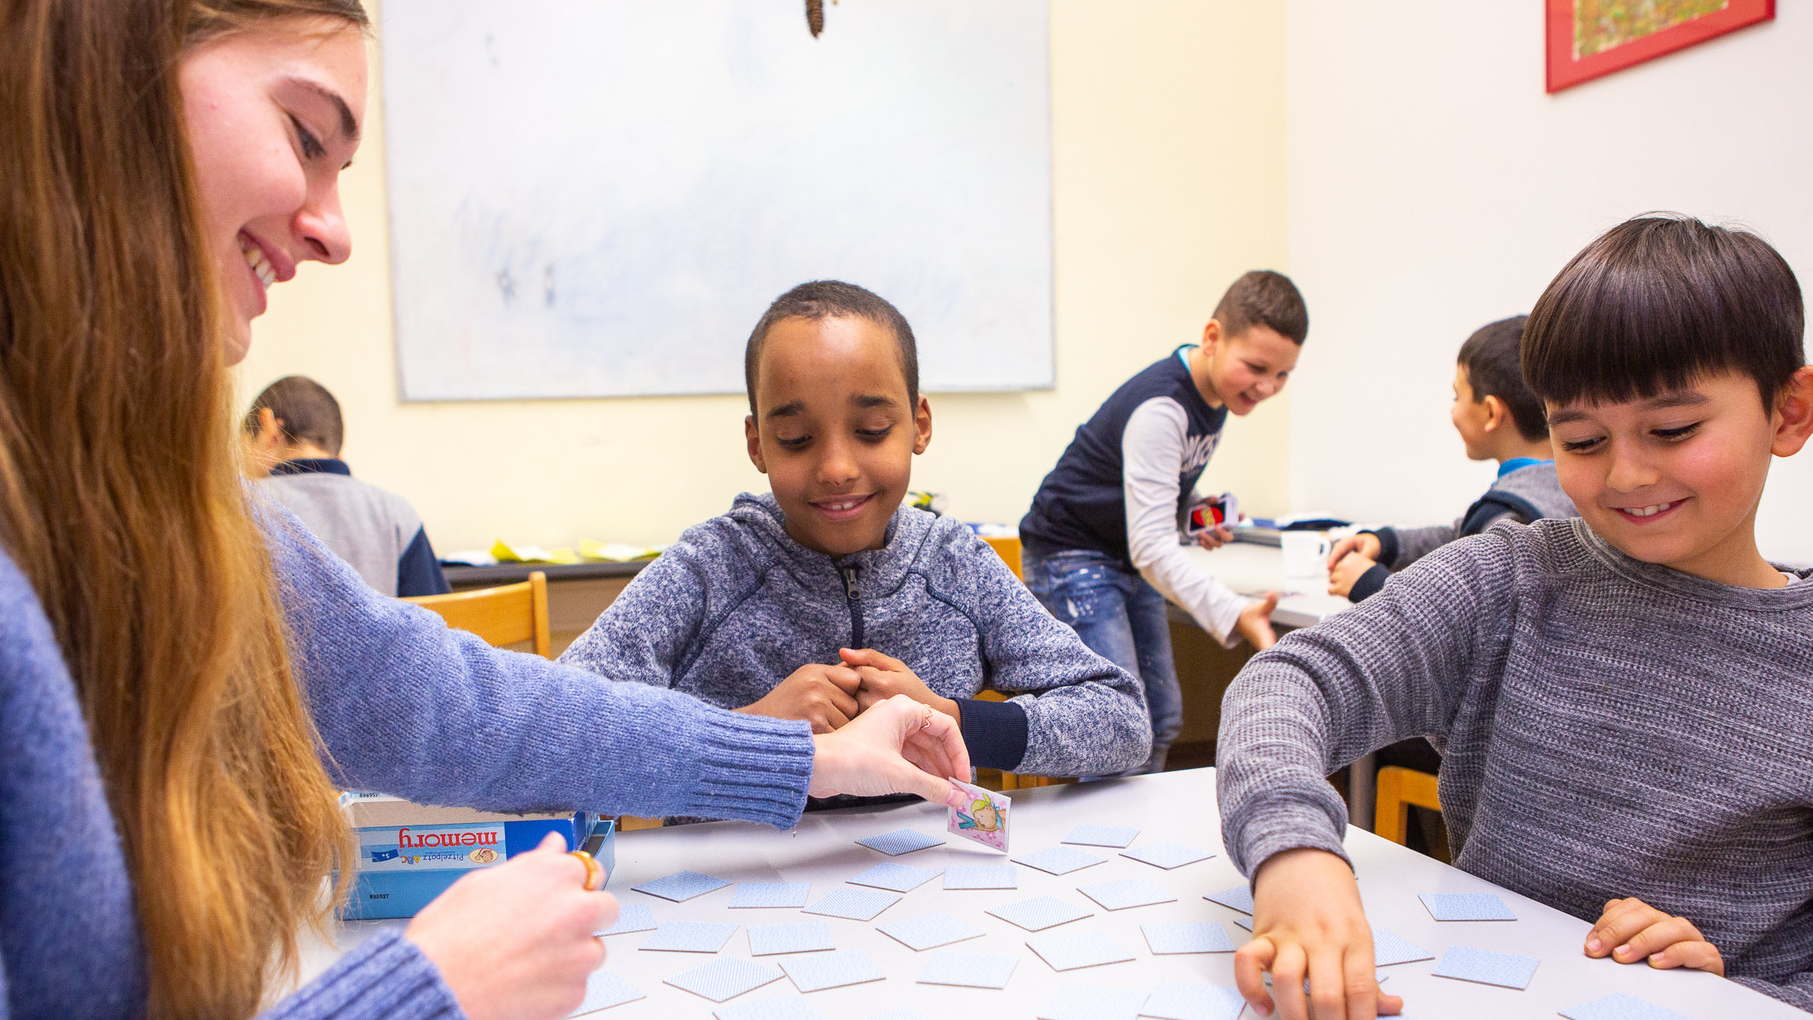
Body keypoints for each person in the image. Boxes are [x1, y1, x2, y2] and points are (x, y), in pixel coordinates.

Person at [0, 4, 969, 1020]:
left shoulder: (177, 520)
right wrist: (428, 990)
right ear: (105, 79)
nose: (332, 230)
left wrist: (807, 760)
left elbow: (455, 703)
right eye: (304, 136)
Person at [1216, 215, 1813, 1020]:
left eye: (1672, 430)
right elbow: (1290, 681)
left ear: (1786, 412)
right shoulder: (1512, 576)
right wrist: (1294, 848)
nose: (1626, 473)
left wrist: (1737, 994)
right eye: (1582, 438)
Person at [560, 281, 1152, 780]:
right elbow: (553, 734)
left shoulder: (953, 562)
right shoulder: (709, 570)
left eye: (871, 430)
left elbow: (1124, 721)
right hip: (744, 892)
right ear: (756, 444)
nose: (837, 469)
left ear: (919, 425)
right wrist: (748, 731)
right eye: (796, 439)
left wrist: (949, 717)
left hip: (930, 886)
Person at [1018, 270, 1308, 774]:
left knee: (1162, 718)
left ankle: (1133, 838)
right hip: (1073, 556)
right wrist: (1233, 611)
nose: (1267, 387)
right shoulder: (1163, 406)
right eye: (1257, 367)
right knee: (1115, 726)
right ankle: (1099, 842)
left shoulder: (1216, 396)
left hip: (1121, 552)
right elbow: (1151, 547)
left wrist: (1189, 511)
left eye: (1282, 376)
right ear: (1213, 339)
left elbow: (1151, 488)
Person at [1326, 315, 1577, 603]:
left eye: (1456, 397)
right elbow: (1457, 537)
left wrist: (1371, 584)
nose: (1453, 412)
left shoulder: (1506, 517)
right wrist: (1388, 543)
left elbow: (1459, 615)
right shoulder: (1570, 489)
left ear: (1491, 413)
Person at [245, 375, 451, 597]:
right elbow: (436, 615)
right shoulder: (396, 514)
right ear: (338, 454)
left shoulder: (241, 505)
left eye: (244, 447)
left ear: (269, 430)